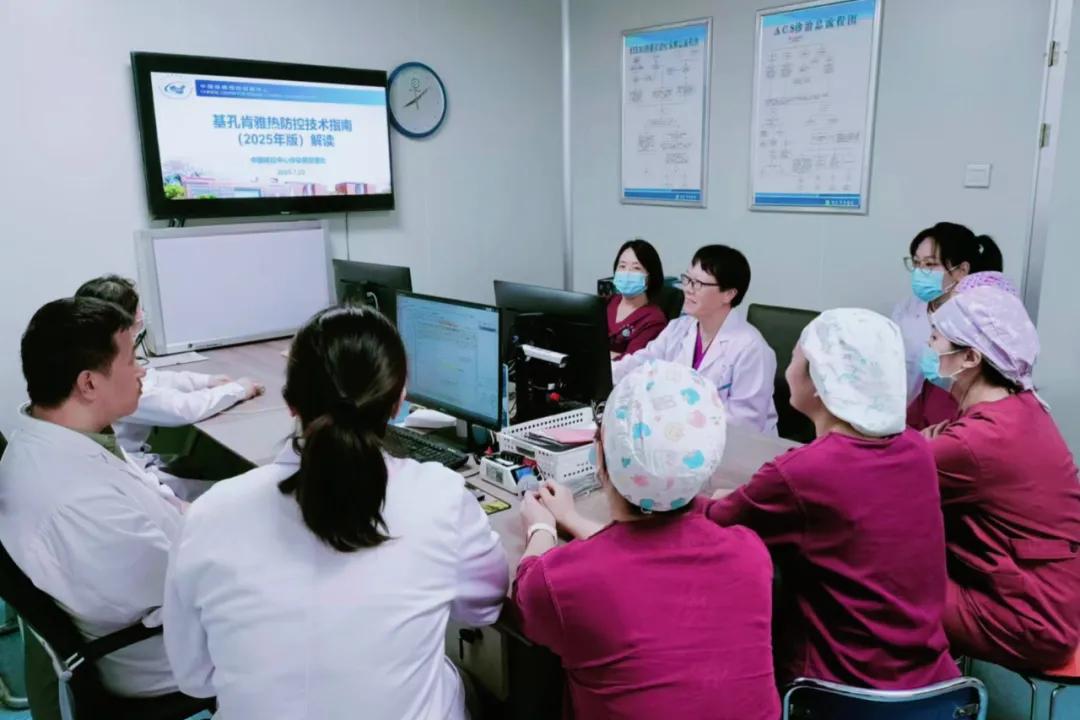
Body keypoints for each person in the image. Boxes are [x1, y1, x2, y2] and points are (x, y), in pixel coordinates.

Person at [163, 305, 508, 720]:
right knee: (473, 685)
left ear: (290, 403)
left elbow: (195, 679)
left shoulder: (210, 513)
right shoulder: (440, 496)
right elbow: (483, 608)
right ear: (398, 400)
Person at [706, 309, 958, 689]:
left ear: (819, 381)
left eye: (796, 357)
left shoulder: (803, 473)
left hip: (839, 689)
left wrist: (710, 498)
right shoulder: (914, 448)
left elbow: (718, 519)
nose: (789, 368)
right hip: (931, 683)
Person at [513, 360, 779, 720]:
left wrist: (541, 527)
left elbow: (527, 595)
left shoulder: (560, 583)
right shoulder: (750, 553)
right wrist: (572, 518)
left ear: (601, 455)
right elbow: (651, 563)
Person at [0, 297, 183, 698]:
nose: (142, 370)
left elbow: (156, 504)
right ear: (88, 383)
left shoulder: (67, 438)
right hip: (162, 652)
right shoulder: (73, 499)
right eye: (131, 360)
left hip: (165, 600)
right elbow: (177, 583)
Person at [920, 286, 1080, 672]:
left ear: (971, 357)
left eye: (937, 338)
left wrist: (920, 447)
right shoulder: (1020, 407)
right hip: (1052, 597)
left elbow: (877, 477)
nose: (929, 346)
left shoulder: (978, 440)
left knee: (871, 578)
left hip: (1031, 619)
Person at [75, 275, 264, 500]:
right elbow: (181, 408)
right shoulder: (110, 378)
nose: (142, 318)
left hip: (132, 464)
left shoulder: (92, 358)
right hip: (134, 482)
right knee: (236, 495)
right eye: (138, 315)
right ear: (122, 325)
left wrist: (206, 381)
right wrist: (239, 389)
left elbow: (153, 379)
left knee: (209, 468)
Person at [612, 244, 778, 433]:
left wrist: (681, 419)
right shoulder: (678, 329)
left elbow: (745, 423)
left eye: (698, 283)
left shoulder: (751, 348)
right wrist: (602, 373)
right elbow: (639, 365)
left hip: (737, 444)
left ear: (729, 294)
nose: (688, 289)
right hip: (679, 435)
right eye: (687, 279)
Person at [891, 223, 1003, 428]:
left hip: (953, 414)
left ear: (961, 270)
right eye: (916, 263)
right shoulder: (907, 308)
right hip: (908, 412)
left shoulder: (976, 319)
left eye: (930, 264)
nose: (920, 272)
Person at [606, 239, 669, 360]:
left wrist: (602, 355)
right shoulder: (607, 302)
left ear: (650, 276)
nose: (627, 273)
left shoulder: (654, 320)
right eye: (622, 266)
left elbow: (631, 361)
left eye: (636, 268)